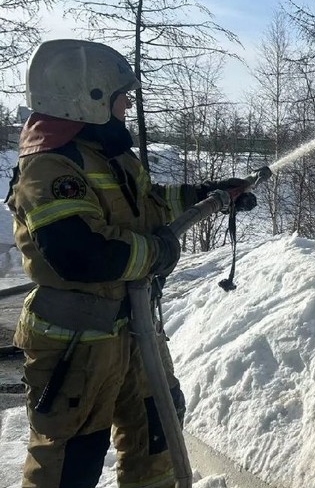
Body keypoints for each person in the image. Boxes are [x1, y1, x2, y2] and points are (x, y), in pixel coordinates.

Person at [6, 39, 256, 488]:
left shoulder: (111, 156)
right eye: (123, 96)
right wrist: (158, 253)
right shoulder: (49, 168)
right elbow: (80, 253)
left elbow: (148, 203)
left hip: (135, 330)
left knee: (156, 433)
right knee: (72, 462)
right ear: (91, 98)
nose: (128, 105)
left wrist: (209, 193)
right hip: (77, 344)